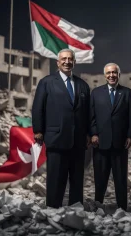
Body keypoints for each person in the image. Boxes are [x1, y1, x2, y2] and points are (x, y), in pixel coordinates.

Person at [32, 48, 90, 208]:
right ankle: (52, 209)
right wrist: (38, 130)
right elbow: (38, 107)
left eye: (70, 59)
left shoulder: (83, 85)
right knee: (56, 178)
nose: (67, 61)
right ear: (58, 63)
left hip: (78, 141)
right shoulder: (46, 82)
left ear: (74, 62)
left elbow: (87, 113)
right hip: (56, 138)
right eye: (63, 59)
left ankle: (75, 211)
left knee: (77, 179)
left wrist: (89, 133)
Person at [90, 63, 131, 210]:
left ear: (118, 74)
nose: (111, 75)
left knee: (120, 178)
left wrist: (130, 135)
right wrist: (93, 133)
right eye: (109, 73)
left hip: (120, 143)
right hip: (100, 143)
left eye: (114, 73)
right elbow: (91, 117)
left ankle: (122, 207)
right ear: (105, 75)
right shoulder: (96, 93)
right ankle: (98, 205)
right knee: (100, 178)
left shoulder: (127, 92)